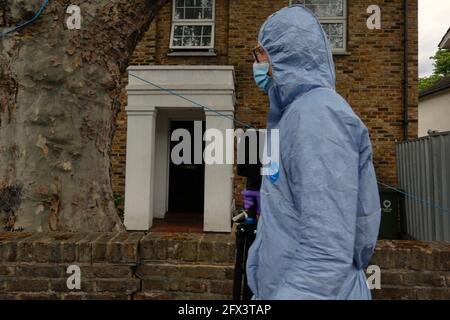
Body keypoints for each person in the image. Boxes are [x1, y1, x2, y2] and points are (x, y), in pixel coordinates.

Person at [241, 5, 382, 300]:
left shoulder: (317, 116)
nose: (255, 62)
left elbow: (326, 249)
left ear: (285, 53)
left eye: (259, 53)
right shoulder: (297, 114)